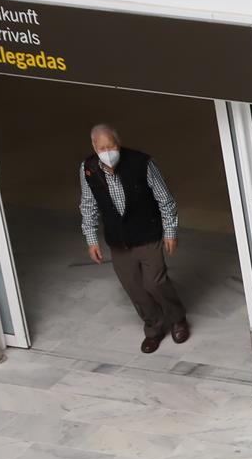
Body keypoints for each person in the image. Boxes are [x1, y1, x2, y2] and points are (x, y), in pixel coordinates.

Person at [79, 124, 187, 353]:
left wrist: (170, 231)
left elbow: (165, 199)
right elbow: (88, 205)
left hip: (147, 234)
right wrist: (91, 239)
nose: (108, 152)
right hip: (118, 241)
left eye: (112, 146)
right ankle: (153, 328)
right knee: (134, 288)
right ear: (94, 147)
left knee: (155, 282)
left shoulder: (142, 163)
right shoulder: (88, 168)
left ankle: (177, 318)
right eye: (102, 148)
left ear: (119, 143)